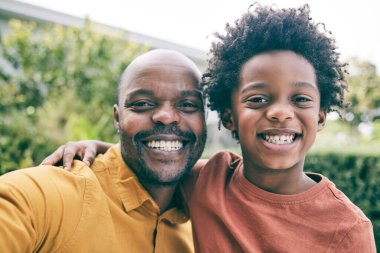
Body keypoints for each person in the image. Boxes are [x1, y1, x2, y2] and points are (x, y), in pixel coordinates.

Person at [42, 4, 377, 253]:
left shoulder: (348, 230)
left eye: (301, 99)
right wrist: (100, 146)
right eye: (258, 99)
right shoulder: (205, 181)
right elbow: (150, 157)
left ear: (321, 116)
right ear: (229, 117)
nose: (279, 112)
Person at [0, 49, 207, 252]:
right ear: (118, 118)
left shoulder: (207, 215)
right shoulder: (57, 197)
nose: (166, 116)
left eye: (188, 104)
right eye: (142, 103)